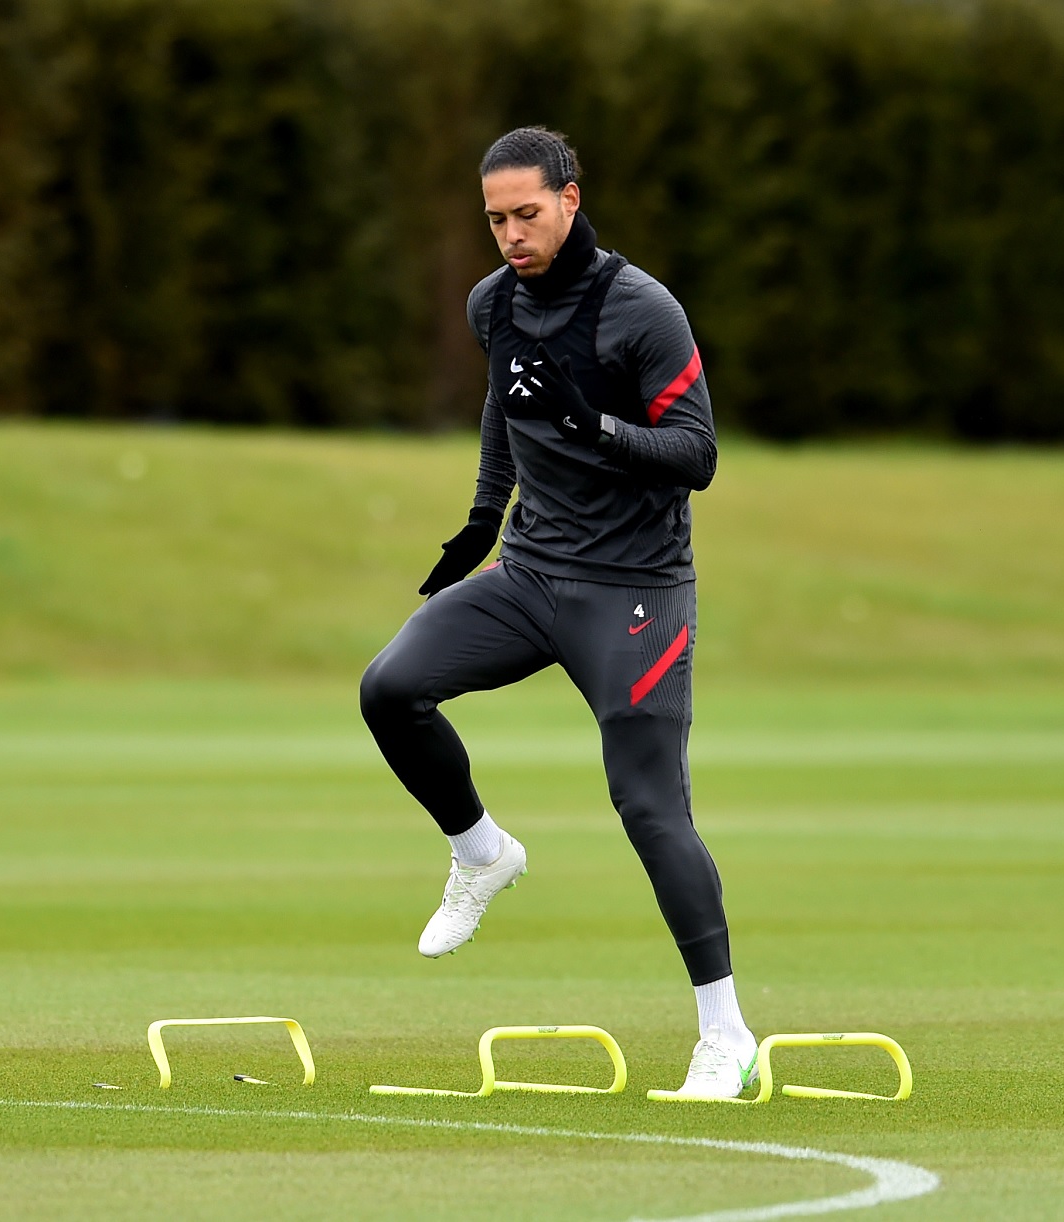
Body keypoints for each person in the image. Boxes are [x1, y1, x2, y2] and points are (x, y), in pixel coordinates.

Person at [360, 127, 757, 1098]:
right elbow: (505, 407)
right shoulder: (491, 304)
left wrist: (592, 424)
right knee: (390, 687)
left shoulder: (642, 310)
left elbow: (696, 456)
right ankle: (480, 851)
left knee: (648, 807)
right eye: (494, 218)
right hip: (530, 574)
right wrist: (478, 522)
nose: (508, 234)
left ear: (571, 200)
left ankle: (725, 1033)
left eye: (525, 213)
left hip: (635, 591)